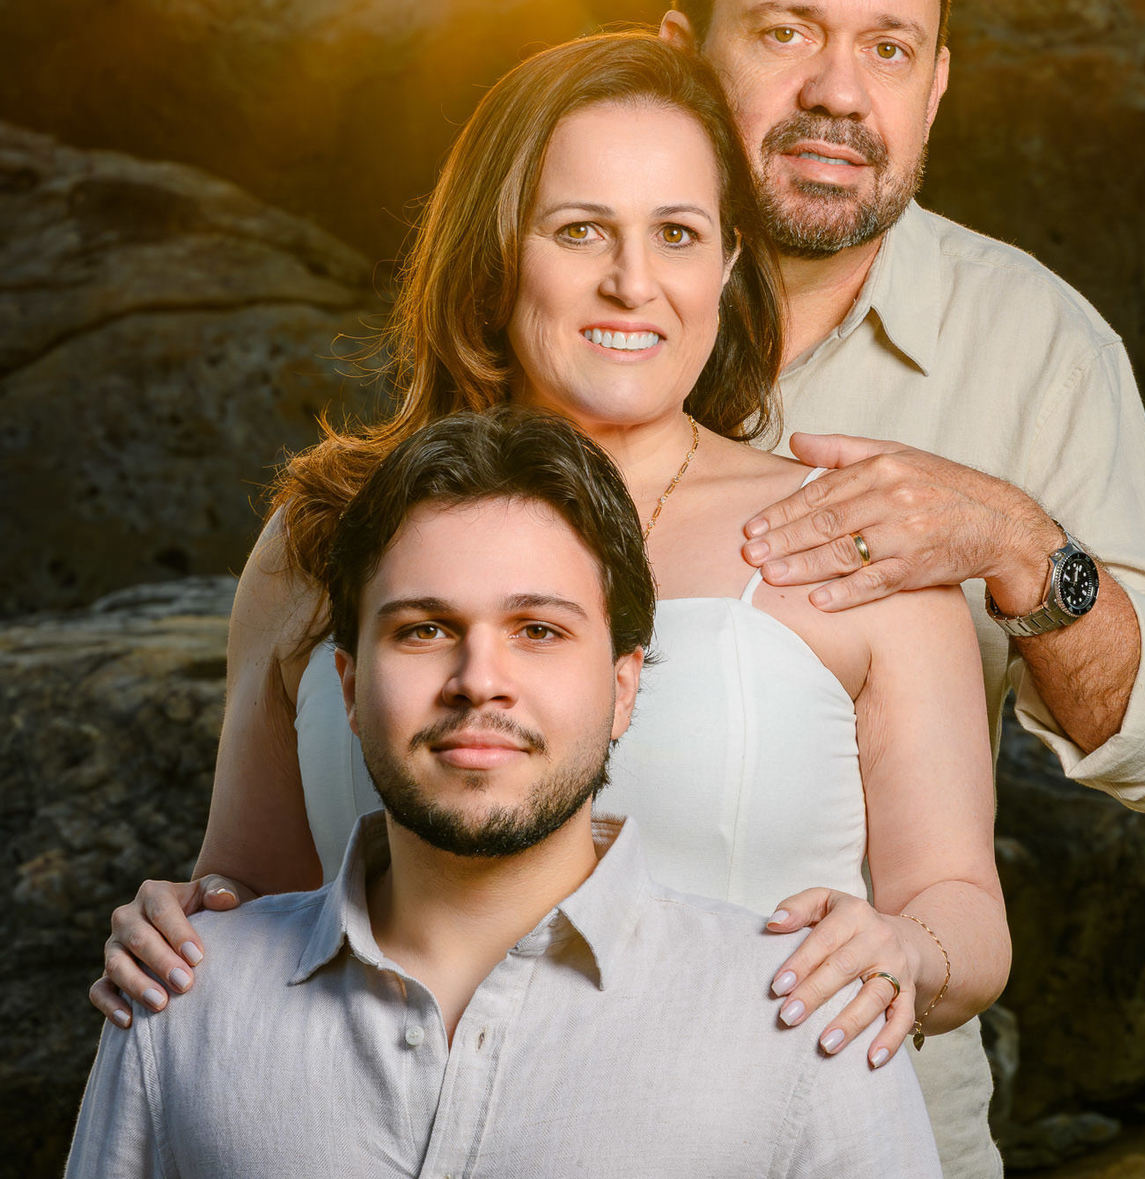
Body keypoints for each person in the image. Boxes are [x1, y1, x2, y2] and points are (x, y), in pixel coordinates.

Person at [90, 33, 1007, 1175]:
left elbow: (961, 903)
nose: (633, 282)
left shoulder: (851, 539)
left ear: (729, 261)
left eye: (677, 233)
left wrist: (905, 953)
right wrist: (176, 933)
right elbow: (252, 884)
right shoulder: (317, 538)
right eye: (579, 230)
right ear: (494, 250)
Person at [659, 0, 1145, 1166]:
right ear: (679, 54)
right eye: (786, 30)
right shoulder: (550, 307)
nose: (839, 93)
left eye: (890, 48)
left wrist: (1016, 545)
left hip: (873, 1101)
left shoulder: (1036, 341)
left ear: (938, 82)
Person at [67, 409, 942, 1178]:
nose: (479, 679)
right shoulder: (182, 1002)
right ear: (348, 685)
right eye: (424, 628)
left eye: (538, 629)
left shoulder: (805, 1017)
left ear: (624, 687)